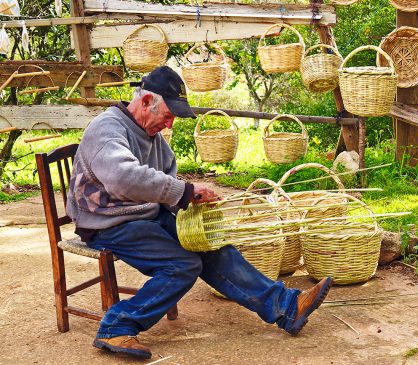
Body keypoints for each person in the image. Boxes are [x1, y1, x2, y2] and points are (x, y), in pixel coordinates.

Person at [66, 66, 333, 360]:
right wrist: (183, 192)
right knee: (182, 265)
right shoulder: (107, 129)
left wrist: (189, 201)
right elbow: (123, 178)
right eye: (167, 115)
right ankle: (116, 325)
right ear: (145, 102)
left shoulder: (152, 136)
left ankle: (286, 307)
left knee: (209, 244)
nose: (168, 124)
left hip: (144, 214)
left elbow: (167, 178)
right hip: (107, 223)